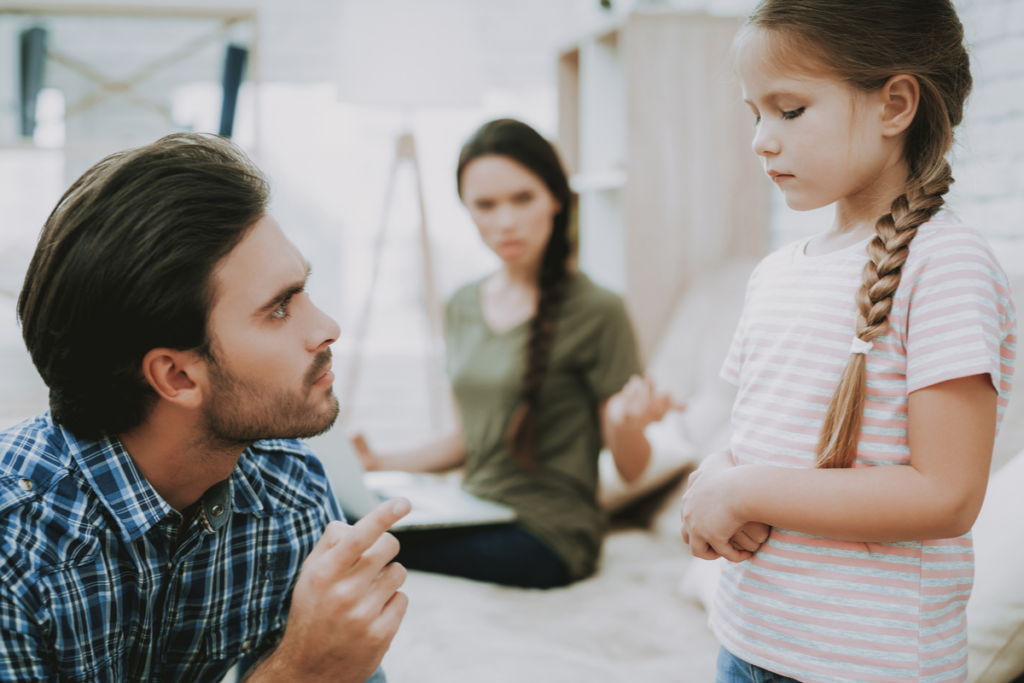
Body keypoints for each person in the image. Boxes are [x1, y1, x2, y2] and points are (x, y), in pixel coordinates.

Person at [679, 2, 1017, 682]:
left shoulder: (946, 266)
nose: (761, 140)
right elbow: (763, 439)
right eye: (755, 114)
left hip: (870, 665)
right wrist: (714, 478)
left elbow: (946, 495)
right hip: (747, 641)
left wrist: (744, 490)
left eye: (790, 110)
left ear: (895, 105)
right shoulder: (775, 273)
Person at [0, 133, 410, 683]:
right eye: (279, 308)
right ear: (176, 376)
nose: (328, 328)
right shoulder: (15, 549)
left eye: (304, 291)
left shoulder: (288, 488)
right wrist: (299, 672)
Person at [352, 118, 680, 588]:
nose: (505, 221)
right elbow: (468, 441)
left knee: (356, 538)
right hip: (473, 510)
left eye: (522, 198)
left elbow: (631, 470)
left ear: (556, 199)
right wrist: (377, 463)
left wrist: (627, 425)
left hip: (550, 535)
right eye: (485, 205)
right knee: (339, 513)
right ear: (467, 209)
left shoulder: (599, 310)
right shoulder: (462, 304)